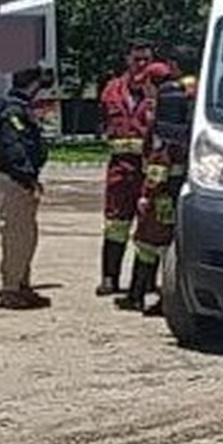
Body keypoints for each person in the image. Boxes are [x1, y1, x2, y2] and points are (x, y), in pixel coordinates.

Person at [116, 45, 199, 315]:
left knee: (151, 240)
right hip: (189, 181)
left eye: (147, 85)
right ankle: (145, 294)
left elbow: (162, 155)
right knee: (167, 241)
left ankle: (145, 296)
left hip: (164, 187)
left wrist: (148, 192)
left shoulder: (168, 103)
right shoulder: (197, 92)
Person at [0, 66, 51, 310]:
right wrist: (27, 176)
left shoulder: (17, 106)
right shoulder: (12, 111)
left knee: (26, 236)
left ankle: (22, 285)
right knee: (16, 237)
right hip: (16, 180)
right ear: (33, 83)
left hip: (21, 180)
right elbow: (13, 147)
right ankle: (11, 290)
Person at [96, 40, 155, 296]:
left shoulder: (157, 92)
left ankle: (144, 282)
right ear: (127, 60)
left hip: (148, 170)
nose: (141, 64)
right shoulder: (111, 90)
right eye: (137, 59)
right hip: (120, 169)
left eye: (146, 59)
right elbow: (102, 123)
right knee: (115, 225)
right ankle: (109, 278)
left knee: (150, 226)